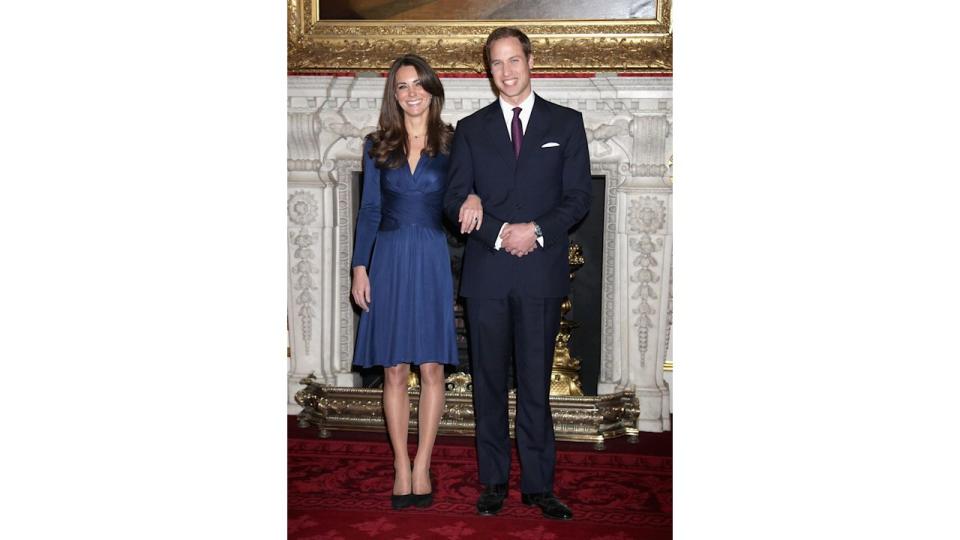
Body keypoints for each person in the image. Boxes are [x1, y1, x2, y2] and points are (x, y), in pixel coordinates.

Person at [443, 27, 592, 521]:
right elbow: (454, 198)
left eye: (513, 61)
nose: (505, 72)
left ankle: (538, 485)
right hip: (486, 275)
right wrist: (499, 228)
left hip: (540, 274)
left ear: (530, 61)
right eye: (495, 64)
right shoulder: (470, 128)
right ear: (488, 71)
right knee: (486, 382)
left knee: (534, 382)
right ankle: (492, 482)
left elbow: (578, 199)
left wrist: (536, 231)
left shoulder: (566, 124)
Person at [351, 53, 483, 510]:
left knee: (430, 367)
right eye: (402, 86)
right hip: (386, 256)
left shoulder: (453, 142)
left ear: (432, 89)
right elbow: (369, 210)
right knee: (392, 368)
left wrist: (473, 195)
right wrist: (359, 267)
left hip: (429, 255)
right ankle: (400, 465)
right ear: (394, 93)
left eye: (418, 84)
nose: (411, 93)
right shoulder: (377, 146)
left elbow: (467, 188)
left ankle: (423, 463)